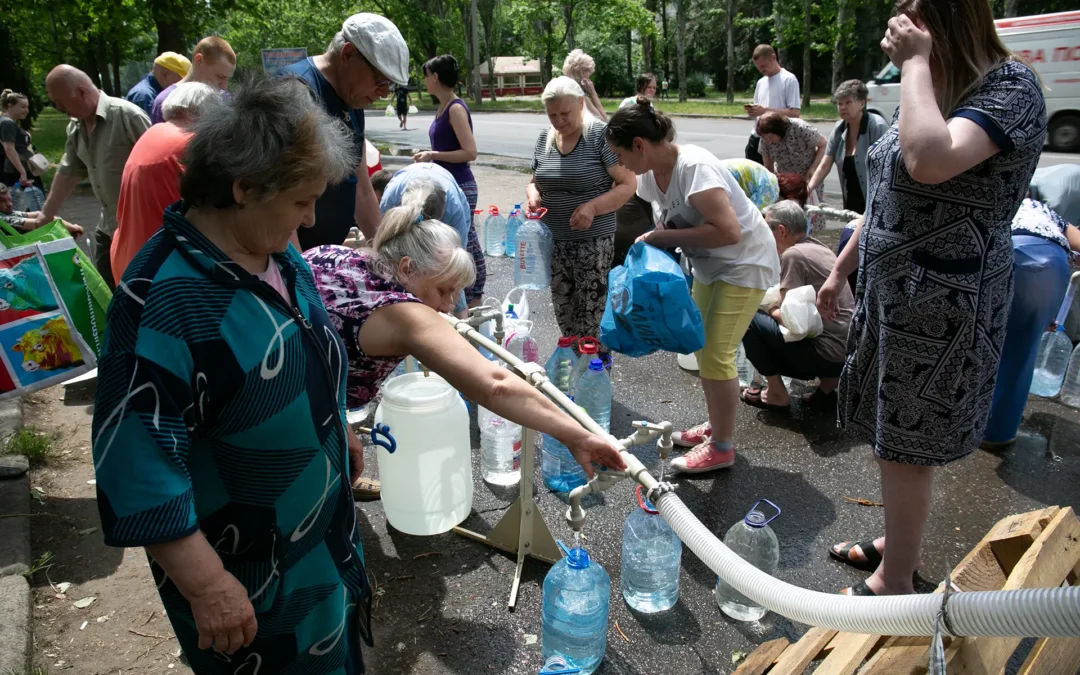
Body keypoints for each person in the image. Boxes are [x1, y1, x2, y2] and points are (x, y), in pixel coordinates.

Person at [91, 75, 381, 673]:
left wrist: (336, 428)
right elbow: (137, 467)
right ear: (244, 188)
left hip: (318, 550)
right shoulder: (162, 304)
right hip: (249, 581)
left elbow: (307, 347)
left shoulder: (275, 250)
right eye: (301, 202)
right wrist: (207, 588)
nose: (307, 222)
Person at [817, 0, 1046, 597]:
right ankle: (901, 540)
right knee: (892, 434)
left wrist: (915, 65)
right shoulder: (934, 85)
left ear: (947, 16)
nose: (899, 26)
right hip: (894, 293)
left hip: (946, 302)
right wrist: (841, 270)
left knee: (908, 444)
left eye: (913, 16)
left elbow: (928, 161)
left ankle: (895, 581)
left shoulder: (1011, 87)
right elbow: (889, 188)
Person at [302, 200, 628, 484]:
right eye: (443, 289)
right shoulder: (402, 314)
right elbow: (494, 385)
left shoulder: (337, 255)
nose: (447, 305)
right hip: (298, 424)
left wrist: (340, 423)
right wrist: (576, 435)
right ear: (406, 268)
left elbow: (315, 352)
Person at [606, 101, 780, 473]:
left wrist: (662, 238)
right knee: (700, 345)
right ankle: (717, 426)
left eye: (621, 155)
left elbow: (729, 231)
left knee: (717, 352)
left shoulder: (694, 166)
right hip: (710, 265)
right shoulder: (653, 175)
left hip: (745, 263)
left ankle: (722, 446)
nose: (621, 165)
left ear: (639, 144)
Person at [280, 13, 409, 248]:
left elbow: (361, 187)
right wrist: (300, 277)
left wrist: (386, 257)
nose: (383, 92)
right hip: (294, 259)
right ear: (348, 53)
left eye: (389, 85)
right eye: (380, 79)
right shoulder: (295, 91)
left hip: (324, 258)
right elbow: (278, 198)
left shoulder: (352, 99)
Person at [527, 77, 635, 353]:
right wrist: (532, 195)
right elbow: (534, 180)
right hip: (554, 242)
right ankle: (575, 375)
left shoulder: (598, 135)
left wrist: (592, 207)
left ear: (581, 104)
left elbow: (628, 184)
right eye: (552, 115)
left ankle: (595, 379)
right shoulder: (544, 139)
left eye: (565, 113)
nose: (559, 121)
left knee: (591, 316)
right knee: (565, 313)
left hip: (592, 243)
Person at [40, 65, 150, 288]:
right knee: (106, 289)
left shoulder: (127, 116)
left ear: (81, 92)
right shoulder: (75, 127)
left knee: (141, 291)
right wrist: (45, 215)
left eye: (61, 101)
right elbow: (68, 170)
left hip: (139, 228)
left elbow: (158, 165)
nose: (58, 107)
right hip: (107, 226)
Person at [983, 198, 1080, 448]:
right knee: (1023, 352)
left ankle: (963, 421)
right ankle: (998, 433)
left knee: (981, 340)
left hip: (1008, 253)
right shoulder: (1045, 212)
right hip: (1052, 264)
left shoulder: (993, 195)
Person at [740, 200, 853, 412]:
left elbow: (791, 319)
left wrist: (767, 309)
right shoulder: (819, 248)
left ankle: (776, 394)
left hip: (826, 355)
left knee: (748, 317)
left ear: (781, 230)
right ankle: (827, 388)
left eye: (766, 230)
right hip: (847, 352)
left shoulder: (793, 255)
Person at [112, 83, 218, 281]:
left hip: (129, 258)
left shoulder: (153, 133)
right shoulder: (190, 143)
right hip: (160, 270)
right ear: (207, 114)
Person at [412, 54, 484, 305]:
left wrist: (433, 155)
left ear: (435, 77)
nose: (424, 81)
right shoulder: (443, 106)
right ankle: (458, 296)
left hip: (461, 184)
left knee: (465, 242)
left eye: (425, 75)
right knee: (452, 242)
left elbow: (470, 152)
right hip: (446, 184)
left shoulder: (454, 107)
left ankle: (474, 298)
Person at [379, 163, 476, 318]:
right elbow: (386, 255)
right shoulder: (391, 202)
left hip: (449, 196)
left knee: (449, 273)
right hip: (404, 199)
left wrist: (454, 310)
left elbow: (456, 272)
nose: (444, 307)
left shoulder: (453, 210)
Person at [807, 80, 888, 217]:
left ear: (862, 104)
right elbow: (824, 165)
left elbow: (887, 170)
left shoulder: (877, 127)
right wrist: (808, 189)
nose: (842, 107)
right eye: (839, 103)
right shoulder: (839, 130)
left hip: (877, 202)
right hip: (851, 201)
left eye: (848, 102)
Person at [150, 37, 236, 124]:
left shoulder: (226, 101)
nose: (224, 86)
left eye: (227, 78)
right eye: (220, 76)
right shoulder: (164, 101)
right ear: (199, 60)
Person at [745, 45, 801, 164]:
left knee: (774, 178)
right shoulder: (761, 82)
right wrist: (753, 112)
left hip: (776, 139)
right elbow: (758, 109)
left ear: (773, 57)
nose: (762, 70)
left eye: (764, 66)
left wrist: (765, 111)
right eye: (758, 68)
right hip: (757, 137)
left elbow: (795, 113)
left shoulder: (788, 79)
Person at [757, 113, 827, 204]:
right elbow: (768, 166)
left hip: (807, 178)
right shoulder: (765, 138)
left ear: (779, 130)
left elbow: (823, 144)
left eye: (770, 136)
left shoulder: (801, 128)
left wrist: (813, 168)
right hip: (785, 181)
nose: (768, 140)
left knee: (811, 210)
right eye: (765, 137)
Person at [125, 52, 190, 115]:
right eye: (182, 80)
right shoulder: (145, 97)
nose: (183, 85)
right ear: (165, 74)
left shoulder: (152, 93)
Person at [0, 90, 40, 189]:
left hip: (18, 169)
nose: (27, 110)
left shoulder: (8, 122)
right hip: (16, 172)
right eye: (22, 107)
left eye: (27, 107)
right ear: (10, 106)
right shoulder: (7, 123)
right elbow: (9, 149)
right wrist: (22, 172)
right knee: (33, 201)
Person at [562, 49, 607, 121]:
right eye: (589, 73)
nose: (589, 77)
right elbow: (603, 121)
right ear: (583, 72)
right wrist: (593, 93)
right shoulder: (578, 93)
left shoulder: (564, 89)